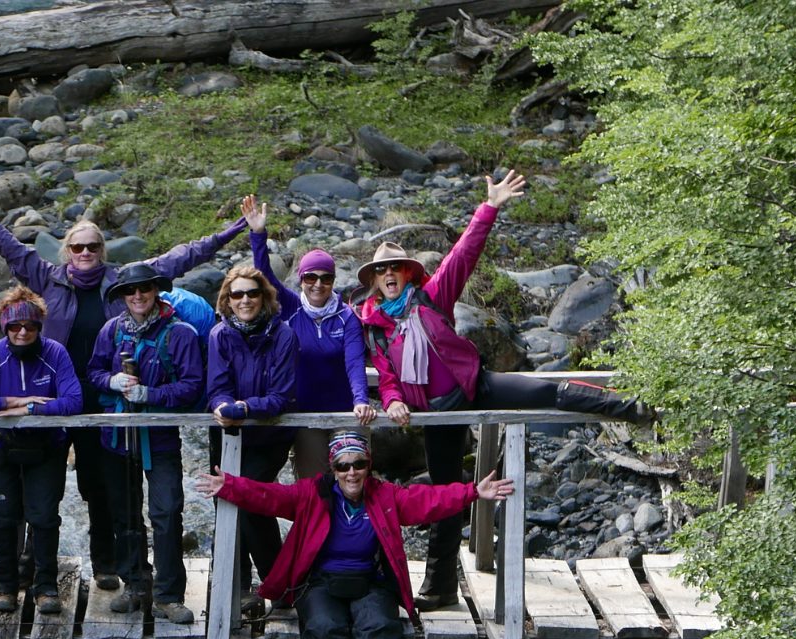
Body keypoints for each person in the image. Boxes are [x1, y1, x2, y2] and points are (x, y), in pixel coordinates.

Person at [355, 170, 649, 610]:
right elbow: (388, 376)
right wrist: (393, 400)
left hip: (473, 386)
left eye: (395, 268)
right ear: (375, 281)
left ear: (408, 274)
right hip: (437, 416)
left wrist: (488, 207)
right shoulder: (374, 327)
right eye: (382, 272)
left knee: (543, 392)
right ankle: (439, 587)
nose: (389, 275)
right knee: (444, 494)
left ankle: (632, 408)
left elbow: (463, 254)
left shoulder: (433, 296)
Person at [0, 175, 244, 594]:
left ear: (104, 251)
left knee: (104, 486)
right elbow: (4, 242)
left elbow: (181, 258)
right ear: (67, 250)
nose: (85, 253)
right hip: (55, 393)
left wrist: (230, 232)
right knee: (44, 478)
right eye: (78, 247)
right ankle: (28, 567)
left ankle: (108, 565)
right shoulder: (46, 276)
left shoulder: (123, 284)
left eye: (94, 247)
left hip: (105, 400)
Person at [193, 431, 515, 639]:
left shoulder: (385, 495)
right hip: (320, 581)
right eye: (343, 466)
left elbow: (426, 500)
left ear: (368, 466)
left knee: (379, 625)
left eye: (359, 464)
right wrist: (229, 486)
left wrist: (473, 492)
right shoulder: (311, 494)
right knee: (323, 626)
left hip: (369, 579)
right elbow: (269, 496)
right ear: (333, 468)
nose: (351, 473)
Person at [89, 264, 206, 621]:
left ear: (155, 290)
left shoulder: (180, 334)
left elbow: (192, 385)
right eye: (129, 291)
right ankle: (136, 584)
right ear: (122, 297)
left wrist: (149, 393)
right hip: (117, 437)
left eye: (143, 289)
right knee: (125, 515)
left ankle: (169, 595)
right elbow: (93, 372)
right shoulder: (111, 331)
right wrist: (111, 382)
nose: (137, 296)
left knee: (167, 512)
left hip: (160, 438)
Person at [0, 288, 84, 614]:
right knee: (4, 518)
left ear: (40, 325)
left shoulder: (55, 353)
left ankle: (45, 586)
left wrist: (28, 409)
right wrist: (7, 403)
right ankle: (6, 584)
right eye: (15, 326)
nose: (23, 332)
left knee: (43, 518)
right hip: (2, 446)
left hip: (48, 447)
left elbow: (73, 401)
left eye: (30, 325)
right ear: (5, 327)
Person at [242, 194, 376, 478]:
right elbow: (263, 274)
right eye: (310, 277)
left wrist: (361, 400)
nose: (318, 284)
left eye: (325, 278)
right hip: (304, 414)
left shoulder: (346, 316)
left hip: (344, 412)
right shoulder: (289, 307)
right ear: (301, 280)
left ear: (333, 282)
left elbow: (354, 362)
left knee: (352, 480)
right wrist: (257, 234)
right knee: (312, 488)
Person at [205, 263, 297, 589]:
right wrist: (221, 405)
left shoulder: (283, 334)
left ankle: (279, 583)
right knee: (226, 502)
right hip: (227, 432)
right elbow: (216, 386)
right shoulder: (219, 335)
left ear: (264, 297)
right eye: (237, 294)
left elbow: (281, 396)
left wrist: (244, 407)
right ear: (227, 300)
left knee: (254, 501)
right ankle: (238, 587)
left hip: (269, 435)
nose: (245, 300)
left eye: (252, 293)